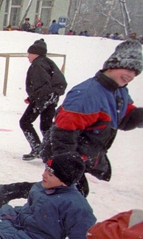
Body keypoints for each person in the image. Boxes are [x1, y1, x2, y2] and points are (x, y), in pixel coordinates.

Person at [42, 39, 143, 197]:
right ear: (113, 65)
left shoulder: (119, 91)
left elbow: (124, 118)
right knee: (66, 198)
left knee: (66, 198)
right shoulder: (88, 94)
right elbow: (63, 134)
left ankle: (10, 193)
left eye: (136, 72)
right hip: (64, 153)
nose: (131, 75)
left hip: (82, 155)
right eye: (129, 69)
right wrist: (65, 169)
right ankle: (14, 199)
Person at [20, 39, 67, 160]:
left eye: (29, 54)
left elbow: (42, 84)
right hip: (51, 97)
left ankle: (37, 147)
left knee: (25, 122)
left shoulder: (38, 64)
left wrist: (39, 100)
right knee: (46, 125)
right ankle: (54, 150)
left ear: (35, 53)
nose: (28, 57)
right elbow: (59, 82)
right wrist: (32, 97)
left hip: (43, 98)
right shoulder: (48, 62)